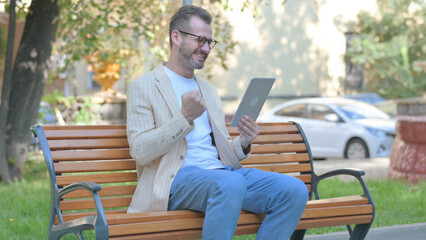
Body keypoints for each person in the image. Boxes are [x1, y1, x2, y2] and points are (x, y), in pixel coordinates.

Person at [126, 5, 308, 240]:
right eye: (200, 40)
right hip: (174, 181)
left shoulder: (208, 91)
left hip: (221, 175)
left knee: (294, 190)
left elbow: (218, 150)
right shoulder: (144, 86)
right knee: (229, 182)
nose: (205, 48)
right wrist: (184, 118)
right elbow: (140, 151)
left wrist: (243, 141)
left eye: (209, 42)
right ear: (176, 36)